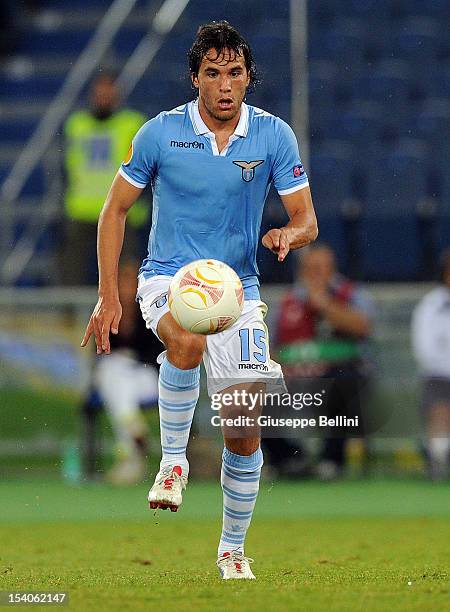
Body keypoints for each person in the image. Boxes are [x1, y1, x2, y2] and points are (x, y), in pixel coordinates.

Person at [81, 22, 317, 579]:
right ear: (196, 78)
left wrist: (289, 234)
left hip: (238, 291)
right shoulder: (159, 134)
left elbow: (307, 217)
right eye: (213, 73)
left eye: (234, 72)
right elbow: (113, 210)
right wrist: (106, 296)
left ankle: (232, 549)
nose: (225, 84)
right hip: (168, 277)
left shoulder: (273, 136)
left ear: (248, 78)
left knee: (243, 429)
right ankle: (172, 462)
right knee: (183, 343)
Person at [273, 243, 374, 480]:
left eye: (322, 269)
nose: (317, 275)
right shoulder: (288, 300)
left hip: (339, 375)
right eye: (311, 269)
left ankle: (331, 460)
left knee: (342, 382)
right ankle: (288, 459)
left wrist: (324, 304)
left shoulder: (352, 294)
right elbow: (272, 346)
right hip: (296, 375)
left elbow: (363, 327)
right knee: (256, 387)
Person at [61, 72, 148, 285]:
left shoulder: (133, 124)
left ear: (117, 93)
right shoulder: (76, 124)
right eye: (99, 91)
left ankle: (126, 317)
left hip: (122, 210)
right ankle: (70, 317)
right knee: (71, 274)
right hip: (81, 211)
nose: (103, 96)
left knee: (125, 277)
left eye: (108, 91)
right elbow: (67, 167)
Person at [85, 259, 163, 485]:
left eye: (132, 282)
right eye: (123, 282)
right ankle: (132, 443)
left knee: (117, 380)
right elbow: (98, 350)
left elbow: (158, 353)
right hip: (116, 375)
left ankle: (130, 451)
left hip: (145, 376)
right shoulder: (104, 312)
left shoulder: (151, 311)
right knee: (113, 373)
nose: (128, 287)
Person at [411, 249, 450, 481]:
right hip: (439, 374)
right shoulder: (431, 305)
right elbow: (424, 347)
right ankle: (438, 459)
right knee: (438, 401)